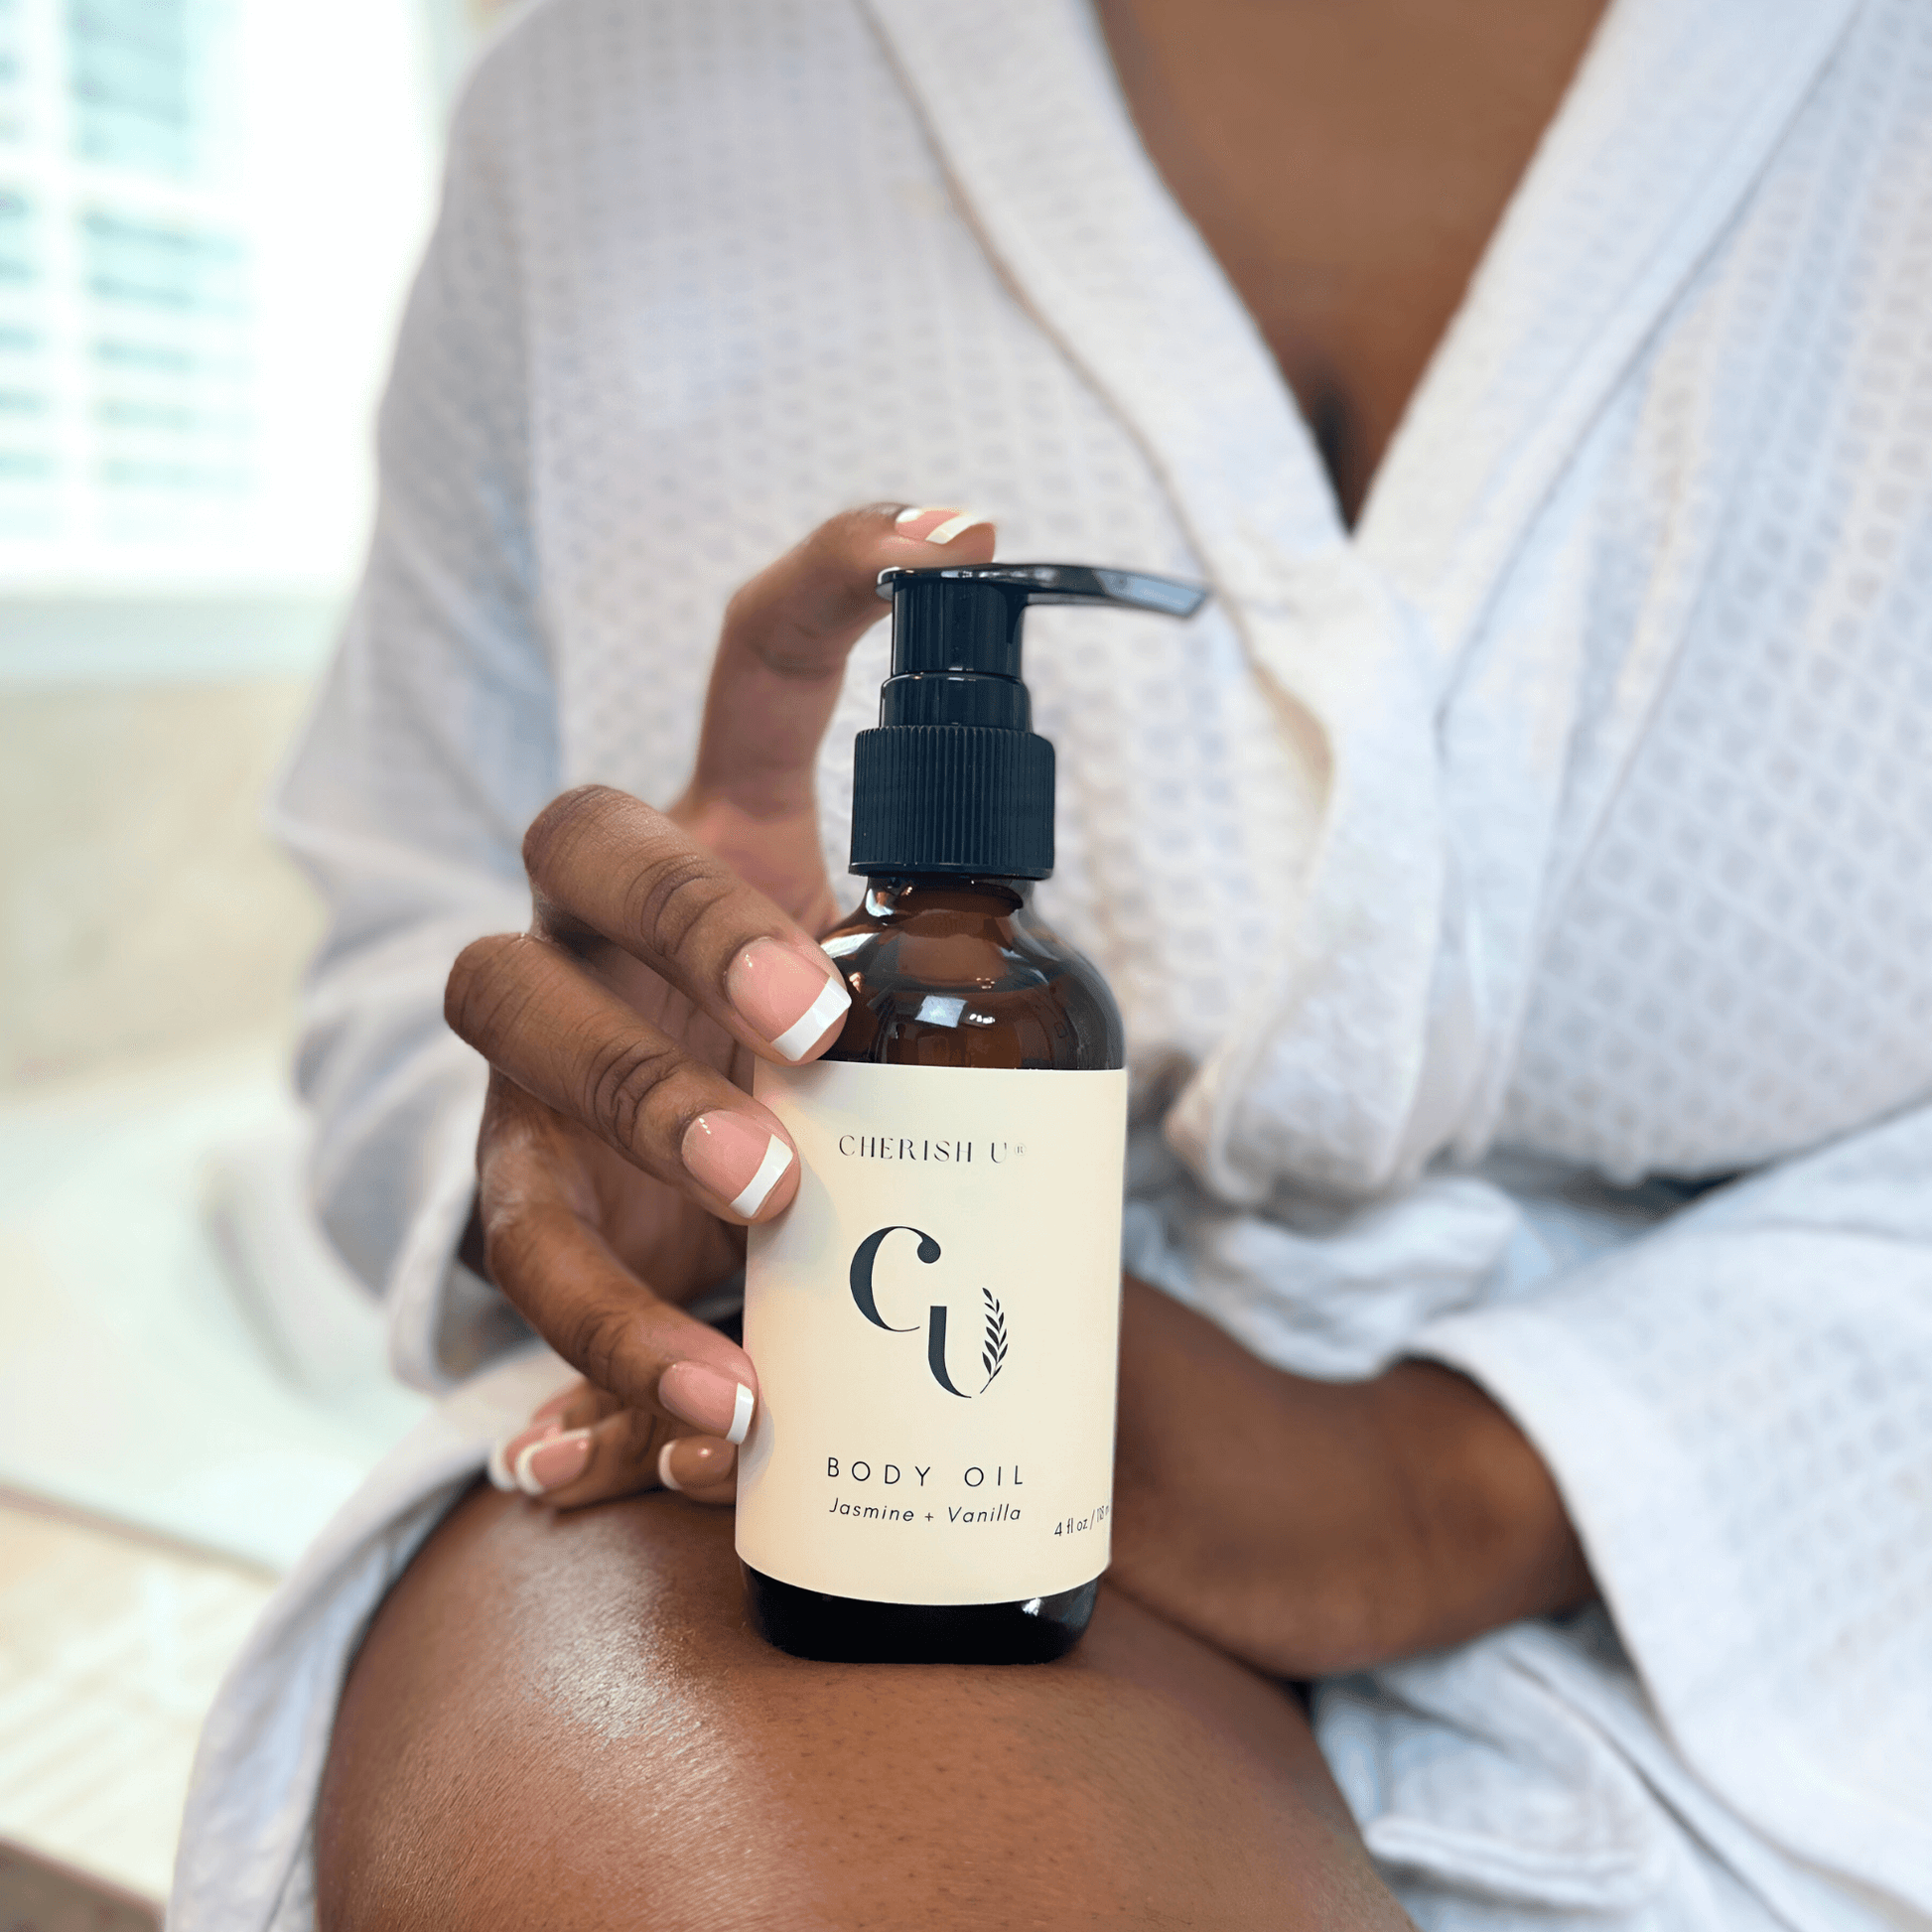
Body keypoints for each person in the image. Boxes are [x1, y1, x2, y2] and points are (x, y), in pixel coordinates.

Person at [172, 1, 1932, 1926]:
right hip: (827, 1420)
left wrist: (1474, 1471)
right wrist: (623, 1166)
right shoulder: (598, 106)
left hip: (1806, 1525)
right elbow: (395, 949)